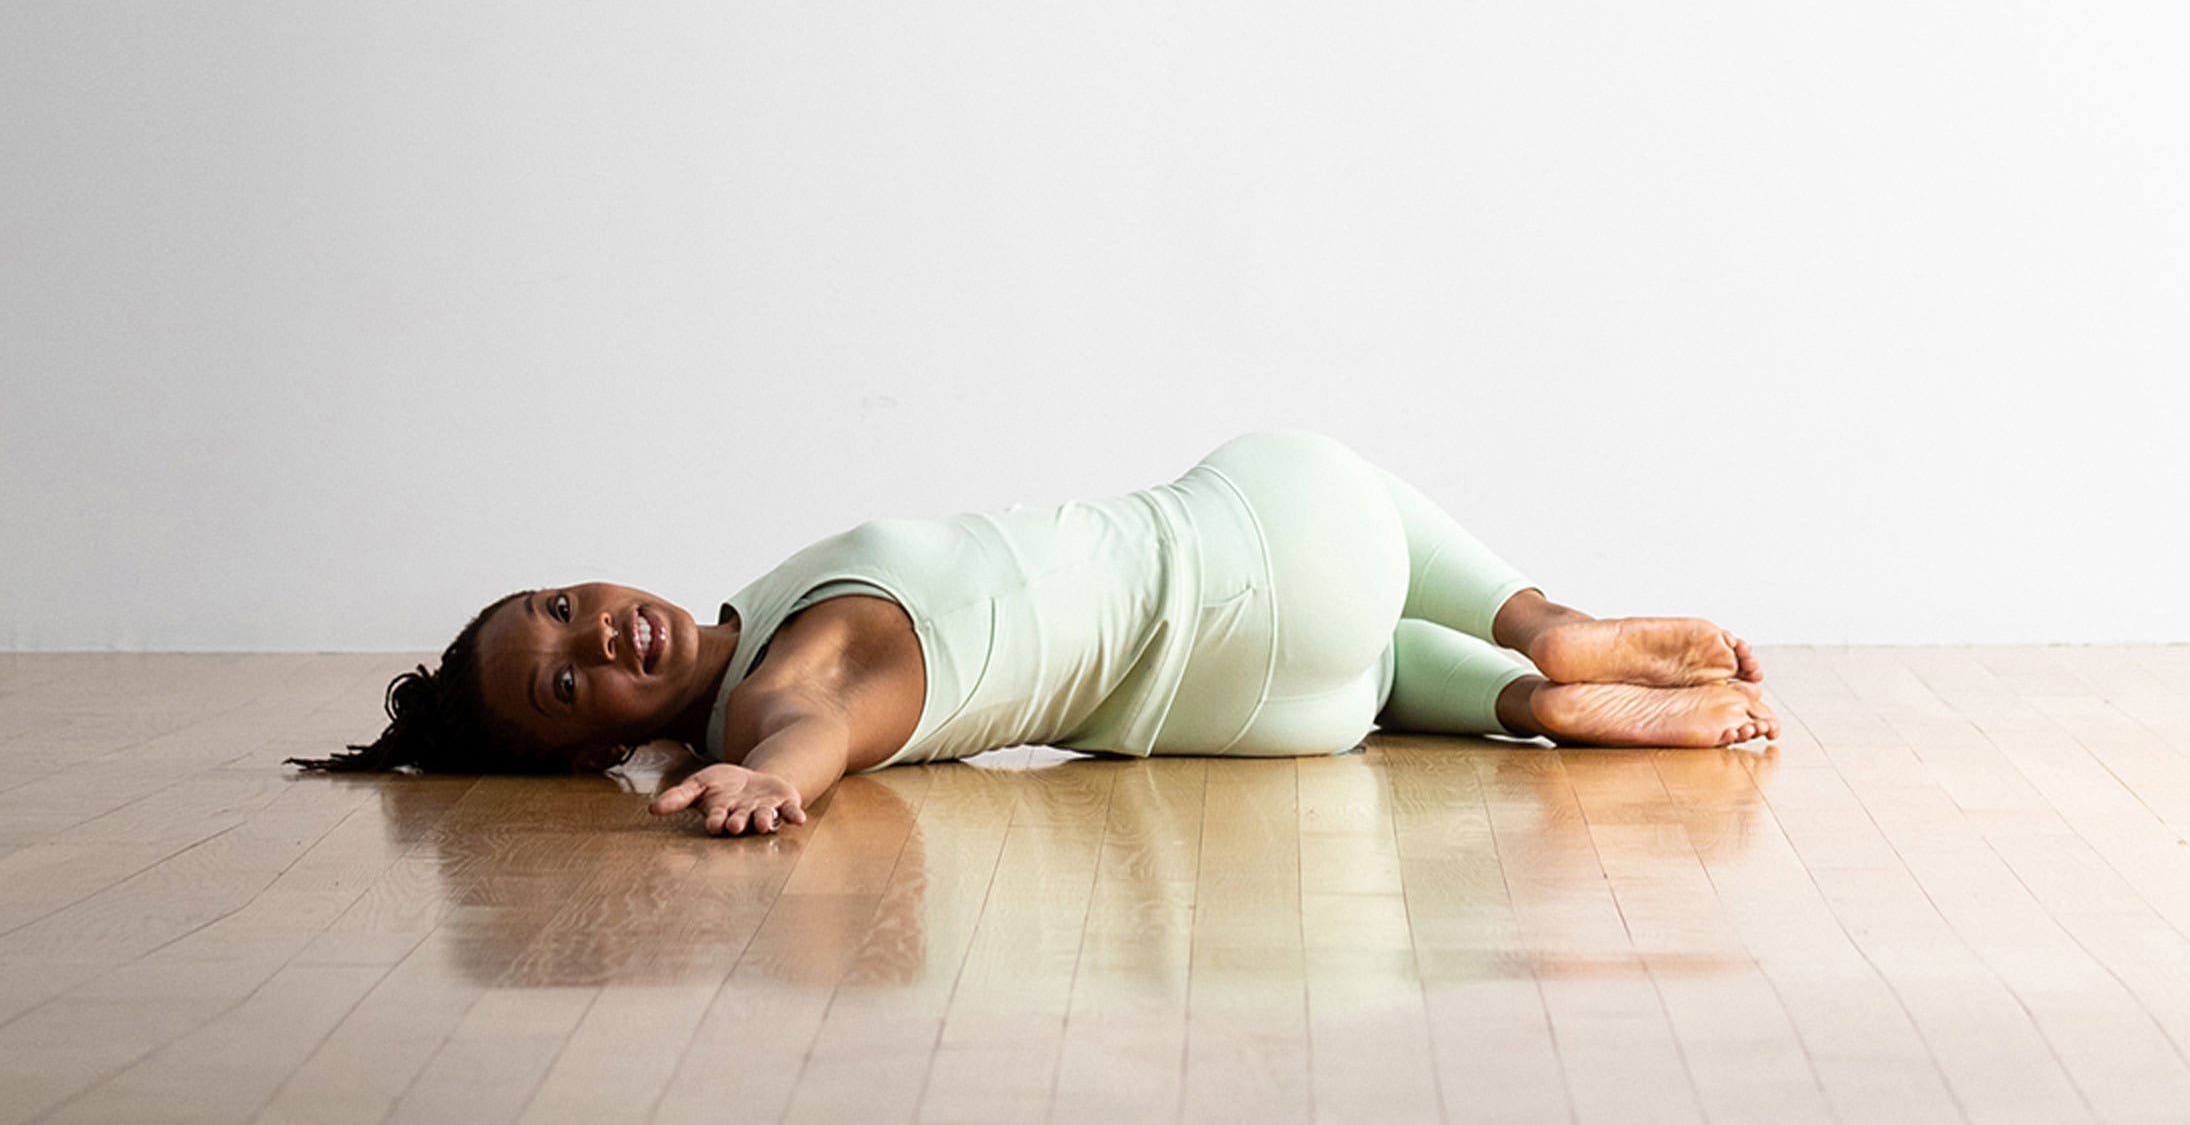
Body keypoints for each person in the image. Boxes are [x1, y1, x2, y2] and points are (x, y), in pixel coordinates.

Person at [288, 428, 1776, 836]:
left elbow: (801, 713)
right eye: (565, 683)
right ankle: (1553, 631)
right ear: (588, 750)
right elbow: (815, 721)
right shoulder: (780, 681)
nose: (599, 636)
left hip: (1265, 715)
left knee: (1374, 666)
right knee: (1308, 476)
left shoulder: (756, 626)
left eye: (562, 607)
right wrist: (771, 781)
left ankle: (1528, 709)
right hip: (1283, 536)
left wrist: (733, 759)